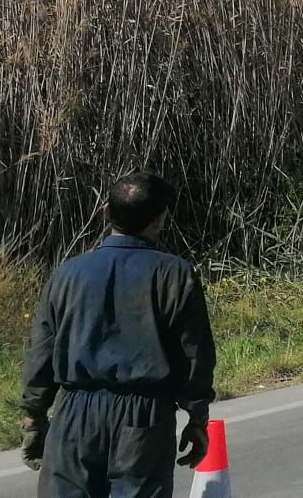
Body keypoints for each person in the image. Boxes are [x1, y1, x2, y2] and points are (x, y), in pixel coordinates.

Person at [20, 173, 215, 498]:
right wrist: (197, 416)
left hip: (73, 415)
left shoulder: (67, 274)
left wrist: (34, 417)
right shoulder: (175, 274)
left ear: (104, 211)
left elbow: (42, 351)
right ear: (160, 220)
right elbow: (195, 353)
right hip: (143, 419)